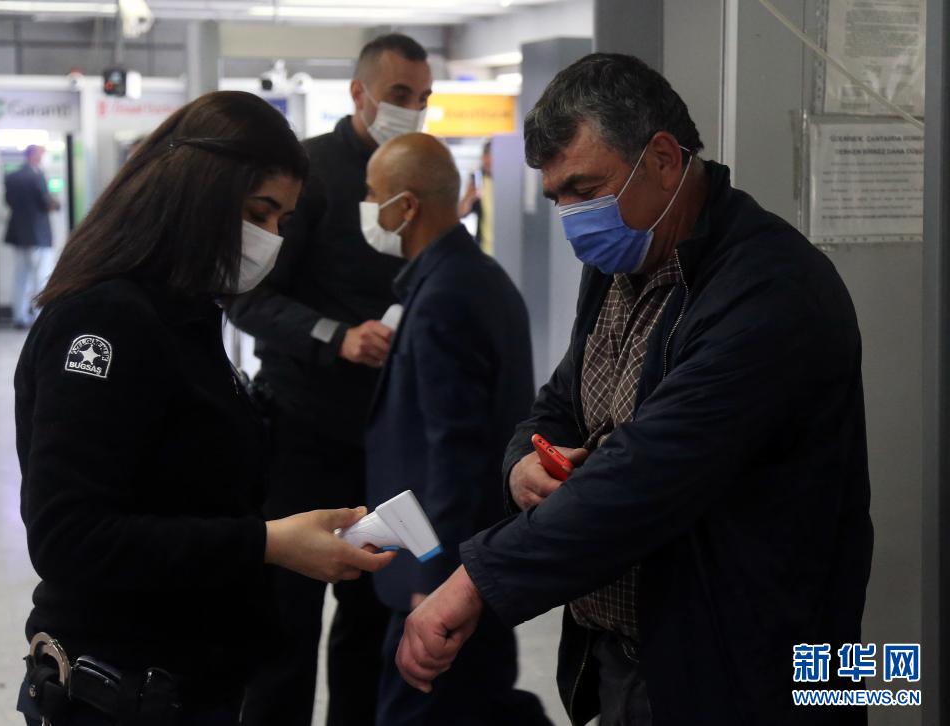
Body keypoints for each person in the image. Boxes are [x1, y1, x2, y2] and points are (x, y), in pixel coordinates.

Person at [396, 53, 873, 726]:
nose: (571, 217)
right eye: (557, 197)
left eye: (585, 188)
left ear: (664, 160)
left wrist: (475, 580)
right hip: (628, 657)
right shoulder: (622, 261)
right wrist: (524, 462)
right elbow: (559, 402)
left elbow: (649, 470)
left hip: (749, 671)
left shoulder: (772, 289)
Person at [14, 91, 396, 726]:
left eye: (282, 221)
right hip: (120, 692)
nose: (271, 238)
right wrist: (266, 543)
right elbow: (68, 536)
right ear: (197, 190)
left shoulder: (185, 315)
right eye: (257, 212)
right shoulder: (105, 320)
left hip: (189, 682)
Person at [226, 33, 432, 726]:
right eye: (399, 94)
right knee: (284, 628)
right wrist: (335, 337)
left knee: (370, 623)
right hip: (301, 433)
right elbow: (248, 298)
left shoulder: (415, 177)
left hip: (385, 443)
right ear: (359, 93)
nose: (412, 109)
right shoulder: (306, 175)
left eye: (423, 97)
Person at [361, 133, 551, 726]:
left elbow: (456, 453)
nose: (366, 207)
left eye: (371, 195)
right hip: (471, 563)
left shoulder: (447, 294)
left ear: (406, 206)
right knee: (484, 704)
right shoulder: (471, 277)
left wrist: (434, 578)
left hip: (447, 570)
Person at [5, 144, 60, 328]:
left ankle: (19, 316)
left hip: (18, 235)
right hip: (39, 235)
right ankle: (39, 317)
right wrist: (56, 203)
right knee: (41, 276)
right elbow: (46, 202)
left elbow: (8, 201)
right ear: (34, 156)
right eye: (41, 154)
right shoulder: (37, 176)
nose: (43, 157)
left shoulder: (12, 176)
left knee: (21, 276)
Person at [457, 139, 493, 255]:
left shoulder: (510, 184)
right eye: (484, 156)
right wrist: (469, 196)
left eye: (489, 156)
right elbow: (460, 213)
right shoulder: (478, 180)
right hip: (485, 249)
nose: (486, 160)